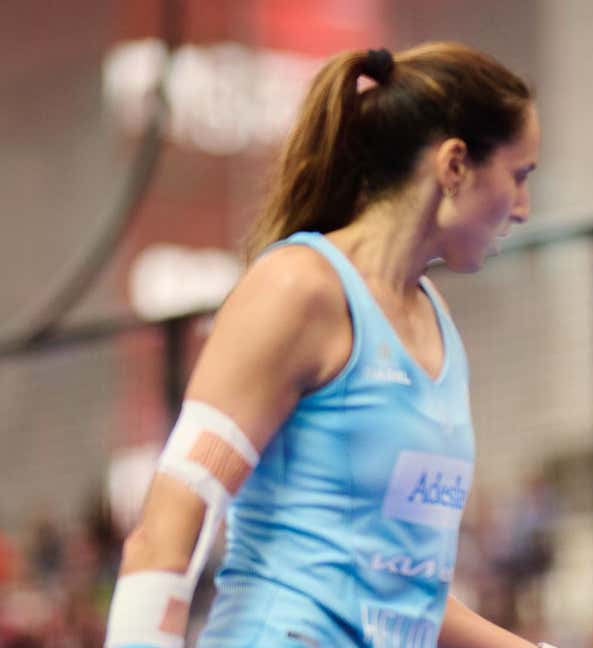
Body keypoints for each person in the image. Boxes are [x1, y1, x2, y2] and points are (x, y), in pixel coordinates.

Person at [104, 43, 558, 648]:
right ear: (454, 166)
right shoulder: (297, 289)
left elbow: (397, 595)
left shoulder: (434, 321)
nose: (524, 208)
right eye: (519, 176)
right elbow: (165, 531)